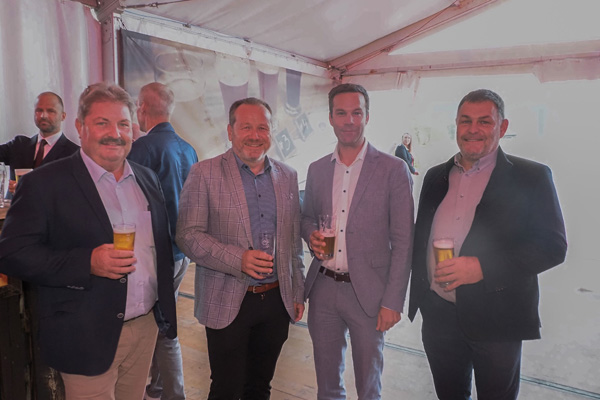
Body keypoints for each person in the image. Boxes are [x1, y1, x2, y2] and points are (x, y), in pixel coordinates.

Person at [0, 83, 178, 399]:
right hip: (85, 332)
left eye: (123, 124)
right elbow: (12, 253)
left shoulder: (147, 178)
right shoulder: (44, 183)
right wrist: (87, 263)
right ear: (80, 127)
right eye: (102, 123)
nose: (115, 133)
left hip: (145, 329)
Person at [408, 89, 567, 400]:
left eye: (484, 121)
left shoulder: (531, 176)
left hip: (498, 320)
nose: (473, 129)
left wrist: (482, 268)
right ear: (456, 125)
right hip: (439, 316)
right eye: (465, 121)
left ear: (502, 127)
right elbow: (421, 236)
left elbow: (553, 246)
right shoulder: (436, 176)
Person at [176, 97, 305, 399]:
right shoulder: (204, 173)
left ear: (271, 132)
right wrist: (238, 259)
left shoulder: (287, 176)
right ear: (230, 131)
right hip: (227, 299)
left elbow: (293, 242)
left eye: (263, 128)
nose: (255, 135)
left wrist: (297, 291)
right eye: (246, 127)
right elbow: (188, 235)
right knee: (226, 389)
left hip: (276, 301)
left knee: (260, 387)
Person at [301, 83, 414, 400]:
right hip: (323, 289)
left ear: (367, 116)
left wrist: (393, 301)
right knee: (327, 385)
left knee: (368, 385)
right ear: (330, 118)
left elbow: (404, 241)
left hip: (370, 293)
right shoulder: (317, 169)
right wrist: (311, 234)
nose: (349, 121)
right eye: (341, 113)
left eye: (356, 113)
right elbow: (306, 217)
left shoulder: (394, 169)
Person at [128, 82, 198, 400]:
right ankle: (156, 389)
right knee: (163, 323)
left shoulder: (143, 149)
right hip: (182, 253)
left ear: (142, 108)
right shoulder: (188, 149)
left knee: (163, 329)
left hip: (156, 254)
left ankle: (173, 394)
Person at [0, 91, 79, 194]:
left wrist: (27, 191)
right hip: (12, 205)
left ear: (63, 116)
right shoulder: (18, 145)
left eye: (50, 111)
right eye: (39, 110)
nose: (43, 115)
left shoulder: (74, 154)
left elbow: (74, 194)